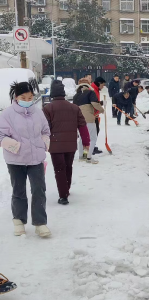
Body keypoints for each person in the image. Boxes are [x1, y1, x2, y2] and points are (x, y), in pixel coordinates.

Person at [0, 81, 51, 237]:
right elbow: (1, 135)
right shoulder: (7, 114)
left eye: (30, 97)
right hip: (16, 159)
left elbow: (46, 131)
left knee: (39, 190)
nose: (27, 100)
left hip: (36, 158)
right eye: (24, 97)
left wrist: (43, 143)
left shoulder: (38, 112)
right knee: (19, 190)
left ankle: (40, 223)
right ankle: (19, 221)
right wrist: (15, 147)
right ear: (16, 97)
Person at [43, 80, 90, 205]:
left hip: (55, 144)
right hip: (71, 145)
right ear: (63, 93)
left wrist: (43, 144)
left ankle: (63, 196)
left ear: (52, 94)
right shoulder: (74, 108)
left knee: (59, 169)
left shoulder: (47, 108)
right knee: (68, 167)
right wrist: (86, 141)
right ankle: (66, 189)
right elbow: (82, 126)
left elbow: (45, 129)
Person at [73, 78, 104, 164]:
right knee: (92, 138)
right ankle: (88, 157)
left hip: (79, 120)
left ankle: (82, 156)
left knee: (82, 138)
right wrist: (102, 110)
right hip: (89, 119)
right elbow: (94, 103)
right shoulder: (90, 92)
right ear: (87, 85)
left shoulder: (76, 95)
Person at [91, 77, 106, 155]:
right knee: (93, 131)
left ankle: (92, 146)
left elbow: (95, 102)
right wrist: (101, 108)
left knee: (96, 130)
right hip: (91, 114)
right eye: (103, 85)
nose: (103, 87)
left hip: (94, 114)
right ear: (99, 83)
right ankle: (89, 149)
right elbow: (93, 103)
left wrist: (102, 103)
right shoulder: (93, 90)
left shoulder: (95, 89)